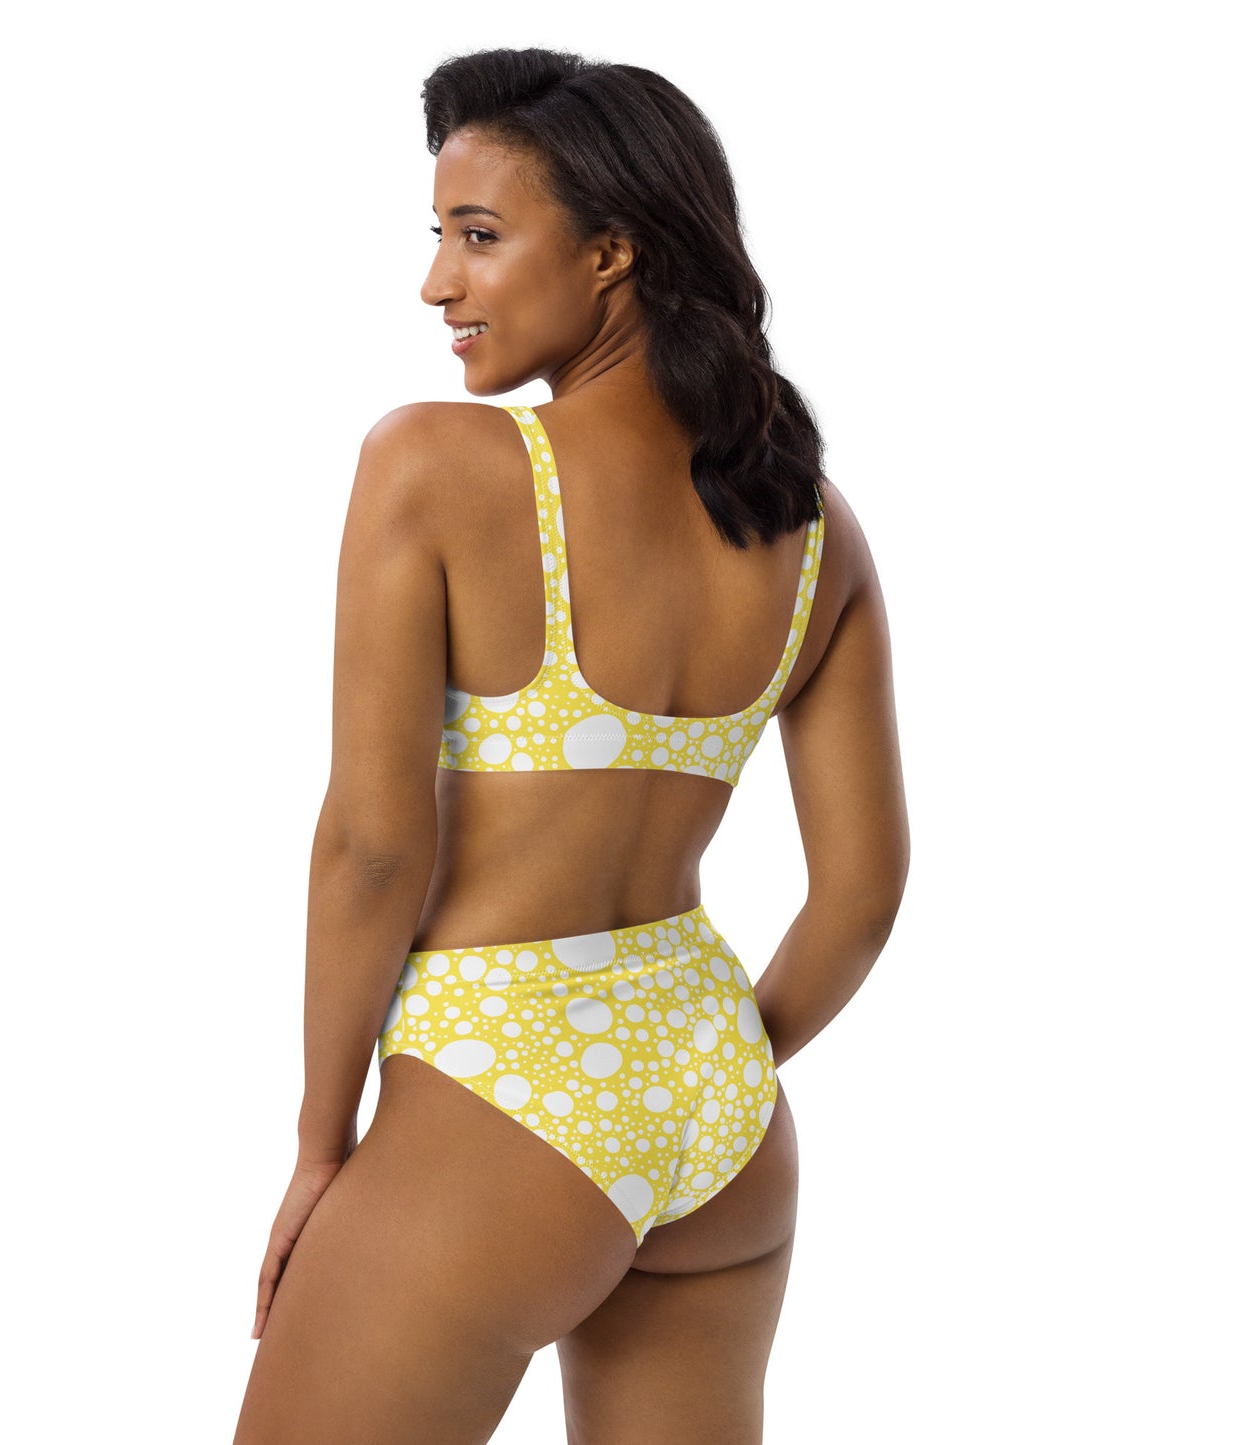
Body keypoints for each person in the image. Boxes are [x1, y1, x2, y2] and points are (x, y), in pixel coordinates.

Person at [233, 46, 908, 1445]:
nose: (437, 284)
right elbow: (860, 891)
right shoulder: (808, 525)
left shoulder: (436, 465)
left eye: (478, 236)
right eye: (438, 236)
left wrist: (319, 1142)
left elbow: (371, 848)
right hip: (721, 1115)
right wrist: (701, 1069)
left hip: (499, 1092)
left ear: (612, 252)